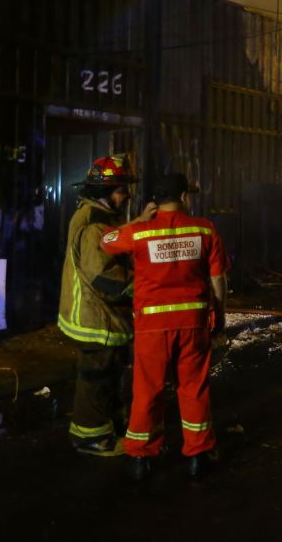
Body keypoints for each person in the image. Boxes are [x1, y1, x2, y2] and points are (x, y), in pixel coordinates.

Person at [101, 173, 229, 479]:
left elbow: (106, 241)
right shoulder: (204, 229)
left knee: (147, 390)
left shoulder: (141, 232)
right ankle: (198, 454)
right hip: (193, 323)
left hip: (151, 326)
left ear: (155, 201)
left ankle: (139, 459)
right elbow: (217, 279)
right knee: (194, 387)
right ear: (184, 197)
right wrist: (219, 312)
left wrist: (136, 220)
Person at [58, 155, 153, 456]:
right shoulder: (93, 224)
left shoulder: (98, 216)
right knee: (96, 377)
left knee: (108, 373)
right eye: (121, 190)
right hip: (95, 317)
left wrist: (139, 222)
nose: (126, 196)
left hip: (103, 317)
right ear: (105, 191)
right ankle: (91, 438)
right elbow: (103, 276)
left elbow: (117, 237)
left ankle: (107, 427)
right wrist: (146, 288)